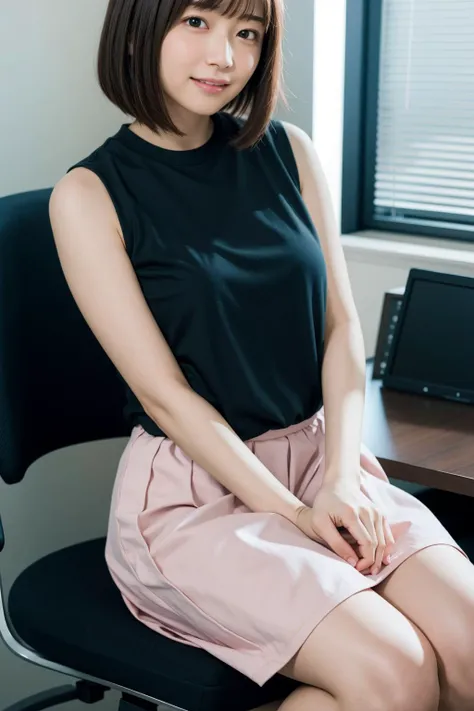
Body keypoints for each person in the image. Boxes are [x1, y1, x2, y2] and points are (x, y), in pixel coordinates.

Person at [48, 1, 474, 709]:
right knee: (398, 673)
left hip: (321, 462)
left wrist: (339, 477)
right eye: (197, 23)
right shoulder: (88, 195)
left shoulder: (289, 151)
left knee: (467, 644)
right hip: (196, 497)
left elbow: (341, 328)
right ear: (141, 26)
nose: (225, 56)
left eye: (246, 33)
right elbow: (165, 396)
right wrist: (291, 511)